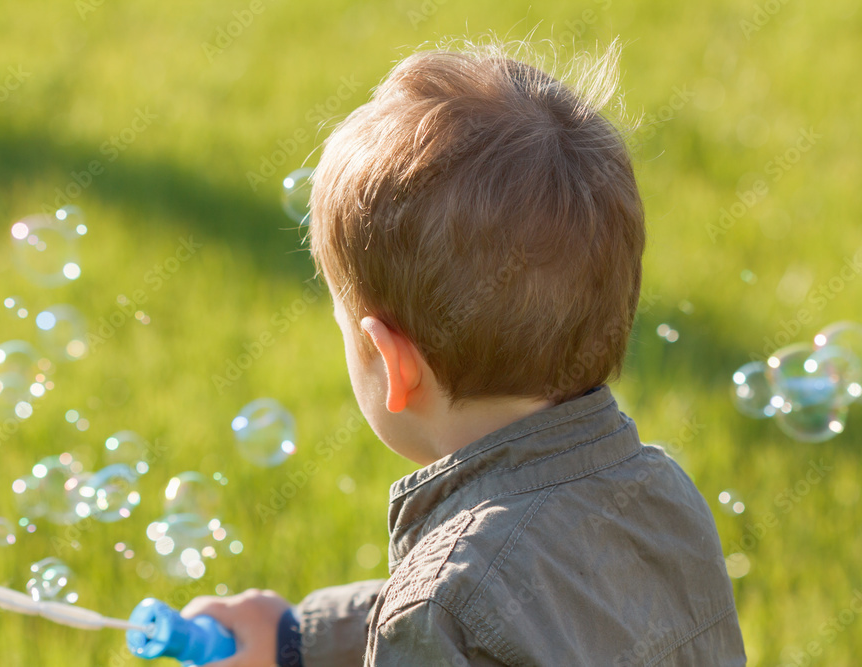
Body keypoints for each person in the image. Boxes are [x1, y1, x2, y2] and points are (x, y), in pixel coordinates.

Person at [182, 40, 747, 666]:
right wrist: (299, 640)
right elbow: (526, 601)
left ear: (393, 364)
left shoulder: (436, 615)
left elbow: (461, 605)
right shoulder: (659, 493)